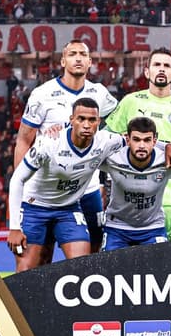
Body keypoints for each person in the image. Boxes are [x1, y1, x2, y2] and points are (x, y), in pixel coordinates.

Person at [14, 39, 119, 253]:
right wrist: (23, 185)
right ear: (63, 61)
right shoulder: (42, 95)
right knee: (42, 257)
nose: (78, 58)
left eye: (82, 54)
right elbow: (24, 140)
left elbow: (118, 122)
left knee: (94, 252)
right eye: (72, 54)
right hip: (49, 189)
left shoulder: (100, 93)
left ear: (90, 62)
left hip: (88, 189)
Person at [7, 98, 125, 271]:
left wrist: (166, 147)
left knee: (83, 267)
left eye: (92, 120)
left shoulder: (106, 141)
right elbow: (17, 179)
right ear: (71, 120)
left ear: (98, 122)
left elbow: (135, 141)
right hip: (35, 208)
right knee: (26, 271)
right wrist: (14, 227)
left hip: (68, 209)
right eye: (81, 119)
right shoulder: (48, 144)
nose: (86, 125)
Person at [106, 48, 171, 241]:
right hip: (133, 198)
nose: (161, 69)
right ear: (147, 71)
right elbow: (108, 142)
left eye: (166, 66)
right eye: (156, 65)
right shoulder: (130, 102)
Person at [99, 116, 171, 249]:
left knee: (160, 268)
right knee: (109, 269)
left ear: (154, 141)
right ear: (127, 140)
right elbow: (90, 149)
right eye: (136, 139)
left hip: (153, 227)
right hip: (117, 227)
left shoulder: (167, 160)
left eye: (147, 140)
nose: (142, 145)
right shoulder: (113, 158)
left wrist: (168, 145)